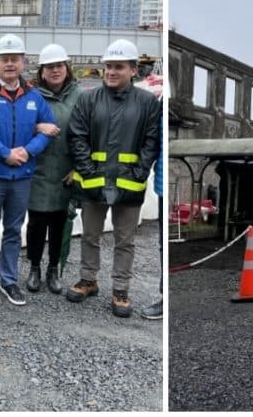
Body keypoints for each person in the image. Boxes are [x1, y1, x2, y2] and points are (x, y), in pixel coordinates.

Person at [66, 39, 161, 318]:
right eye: (108, 66)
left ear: (133, 70)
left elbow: (151, 141)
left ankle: (121, 289)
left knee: (125, 240)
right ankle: (88, 280)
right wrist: (88, 170)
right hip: (94, 182)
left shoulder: (147, 103)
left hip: (129, 184)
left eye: (118, 67)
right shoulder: (88, 98)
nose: (111, 72)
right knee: (90, 235)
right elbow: (78, 136)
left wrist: (139, 172)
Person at [0, 34, 56, 306]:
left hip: (22, 176)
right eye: (4, 59)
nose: (9, 64)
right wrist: (5, 154)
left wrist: (28, 151)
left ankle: (8, 280)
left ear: (23, 62)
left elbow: (49, 128)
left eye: (14, 59)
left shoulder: (33, 95)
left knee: (14, 230)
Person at [26, 44, 81, 294]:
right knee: (37, 223)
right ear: (42, 71)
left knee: (60, 224)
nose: (55, 70)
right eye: (50, 66)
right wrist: (37, 128)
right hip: (38, 169)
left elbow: (89, 134)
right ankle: (35, 268)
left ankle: (53, 270)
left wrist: (79, 168)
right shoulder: (31, 96)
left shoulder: (80, 96)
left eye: (59, 65)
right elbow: (18, 127)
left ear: (66, 68)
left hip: (65, 171)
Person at [140, 98, 164, 320]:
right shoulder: (160, 105)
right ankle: (165, 297)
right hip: (162, 187)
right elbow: (151, 142)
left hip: (162, 185)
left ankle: (165, 297)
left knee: (163, 246)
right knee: (162, 246)